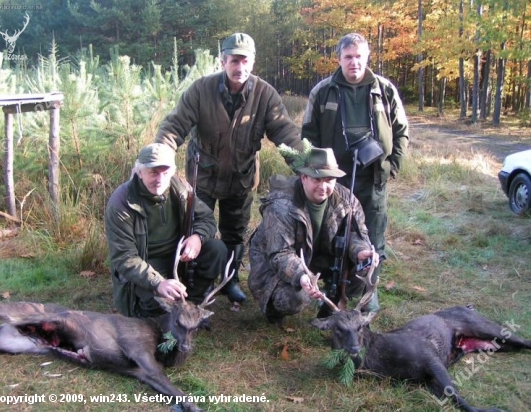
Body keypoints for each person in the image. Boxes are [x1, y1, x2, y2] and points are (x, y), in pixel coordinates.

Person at [155, 32, 303, 307]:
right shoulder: (200, 90)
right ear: (223, 61)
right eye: (234, 60)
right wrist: (160, 159)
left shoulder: (264, 94)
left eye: (245, 61)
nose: (240, 67)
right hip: (203, 178)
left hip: (241, 178)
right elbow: (174, 127)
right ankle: (198, 282)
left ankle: (230, 280)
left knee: (235, 233)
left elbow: (285, 134)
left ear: (253, 62)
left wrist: (305, 167)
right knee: (196, 230)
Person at [301, 33, 409, 311]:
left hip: (372, 181)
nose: (354, 62)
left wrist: (390, 167)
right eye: (348, 57)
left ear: (367, 58)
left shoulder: (384, 89)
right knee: (334, 238)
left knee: (372, 241)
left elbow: (401, 132)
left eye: (359, 56)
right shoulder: (322, 91)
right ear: (338, 59)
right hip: (333, 183)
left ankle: (365, 295)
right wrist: (317, 175)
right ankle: (334, 294)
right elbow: (308, 135)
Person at [248, 147, 378, 325]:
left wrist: (361, 251)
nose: (323, 186)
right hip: (272, 265)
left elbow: (357, 232)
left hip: (315, 256)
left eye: (329, 179)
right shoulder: (281, 205)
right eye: (317, 179)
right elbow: (280, 254)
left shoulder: (346, 199)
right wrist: (302, 276)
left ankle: (332, 303)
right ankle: (273, 308)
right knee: (296, 297)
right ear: (304, 178)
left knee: (361, 268)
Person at [105, 143, 227, 318]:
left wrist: (197, 238)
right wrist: (158, 283)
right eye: (153, 172)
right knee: (156, 303)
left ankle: (193, 305)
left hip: (179, 257)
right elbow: (124, 258)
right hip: (146, 263)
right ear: (139, 172)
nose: (160, 179)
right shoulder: (121, 203)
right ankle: (166, 309)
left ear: (173, 171)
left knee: (217, 249)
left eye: (165, 172)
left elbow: (207, 218)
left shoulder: (181, 190)